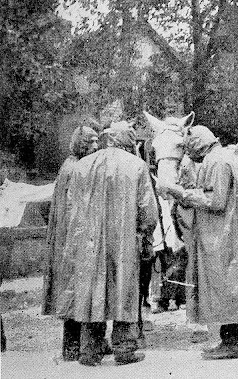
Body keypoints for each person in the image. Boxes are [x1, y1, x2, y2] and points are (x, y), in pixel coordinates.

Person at [162, 125, 238, 360]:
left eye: (188, 148)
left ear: (197, 145)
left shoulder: (217, 162)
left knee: (230, 287)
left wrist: (180, 193)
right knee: (231, 288)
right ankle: (230, 341)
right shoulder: (221, 157)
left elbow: (216, 200)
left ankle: (233, 344)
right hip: (229, 231)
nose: (188, 155)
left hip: (227, 234)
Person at [56, 123, 158, 366]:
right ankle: (124, 349)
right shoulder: (136, 166)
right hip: (124, 239)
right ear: (129, 142)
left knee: (93, 292)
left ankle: (89, 350)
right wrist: (145, 235)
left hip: (88, 241)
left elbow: (71, 207)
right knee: (125, 289)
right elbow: (147, 210)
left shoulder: (82, 166)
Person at [41, 124, 101, 361]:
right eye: (90, 142)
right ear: (80, 144)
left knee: (75, 293)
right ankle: (73, 348)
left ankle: (74, 348)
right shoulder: (75, 169)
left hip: (70, 240)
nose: (96, 146)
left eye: (97, 141)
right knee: (75, 293)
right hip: (71, 242)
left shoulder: (73, 166)